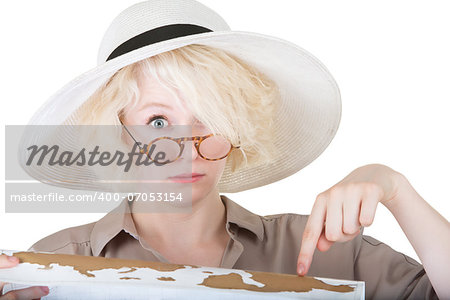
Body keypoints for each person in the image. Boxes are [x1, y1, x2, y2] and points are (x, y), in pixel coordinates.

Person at [1, 1, 449, 299]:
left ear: (238, 130)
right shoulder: (55, 266)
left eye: (212, 118)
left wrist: (394, 188)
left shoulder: (327, 251)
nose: (187, 148)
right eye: (158, 122)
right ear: (117, 132)